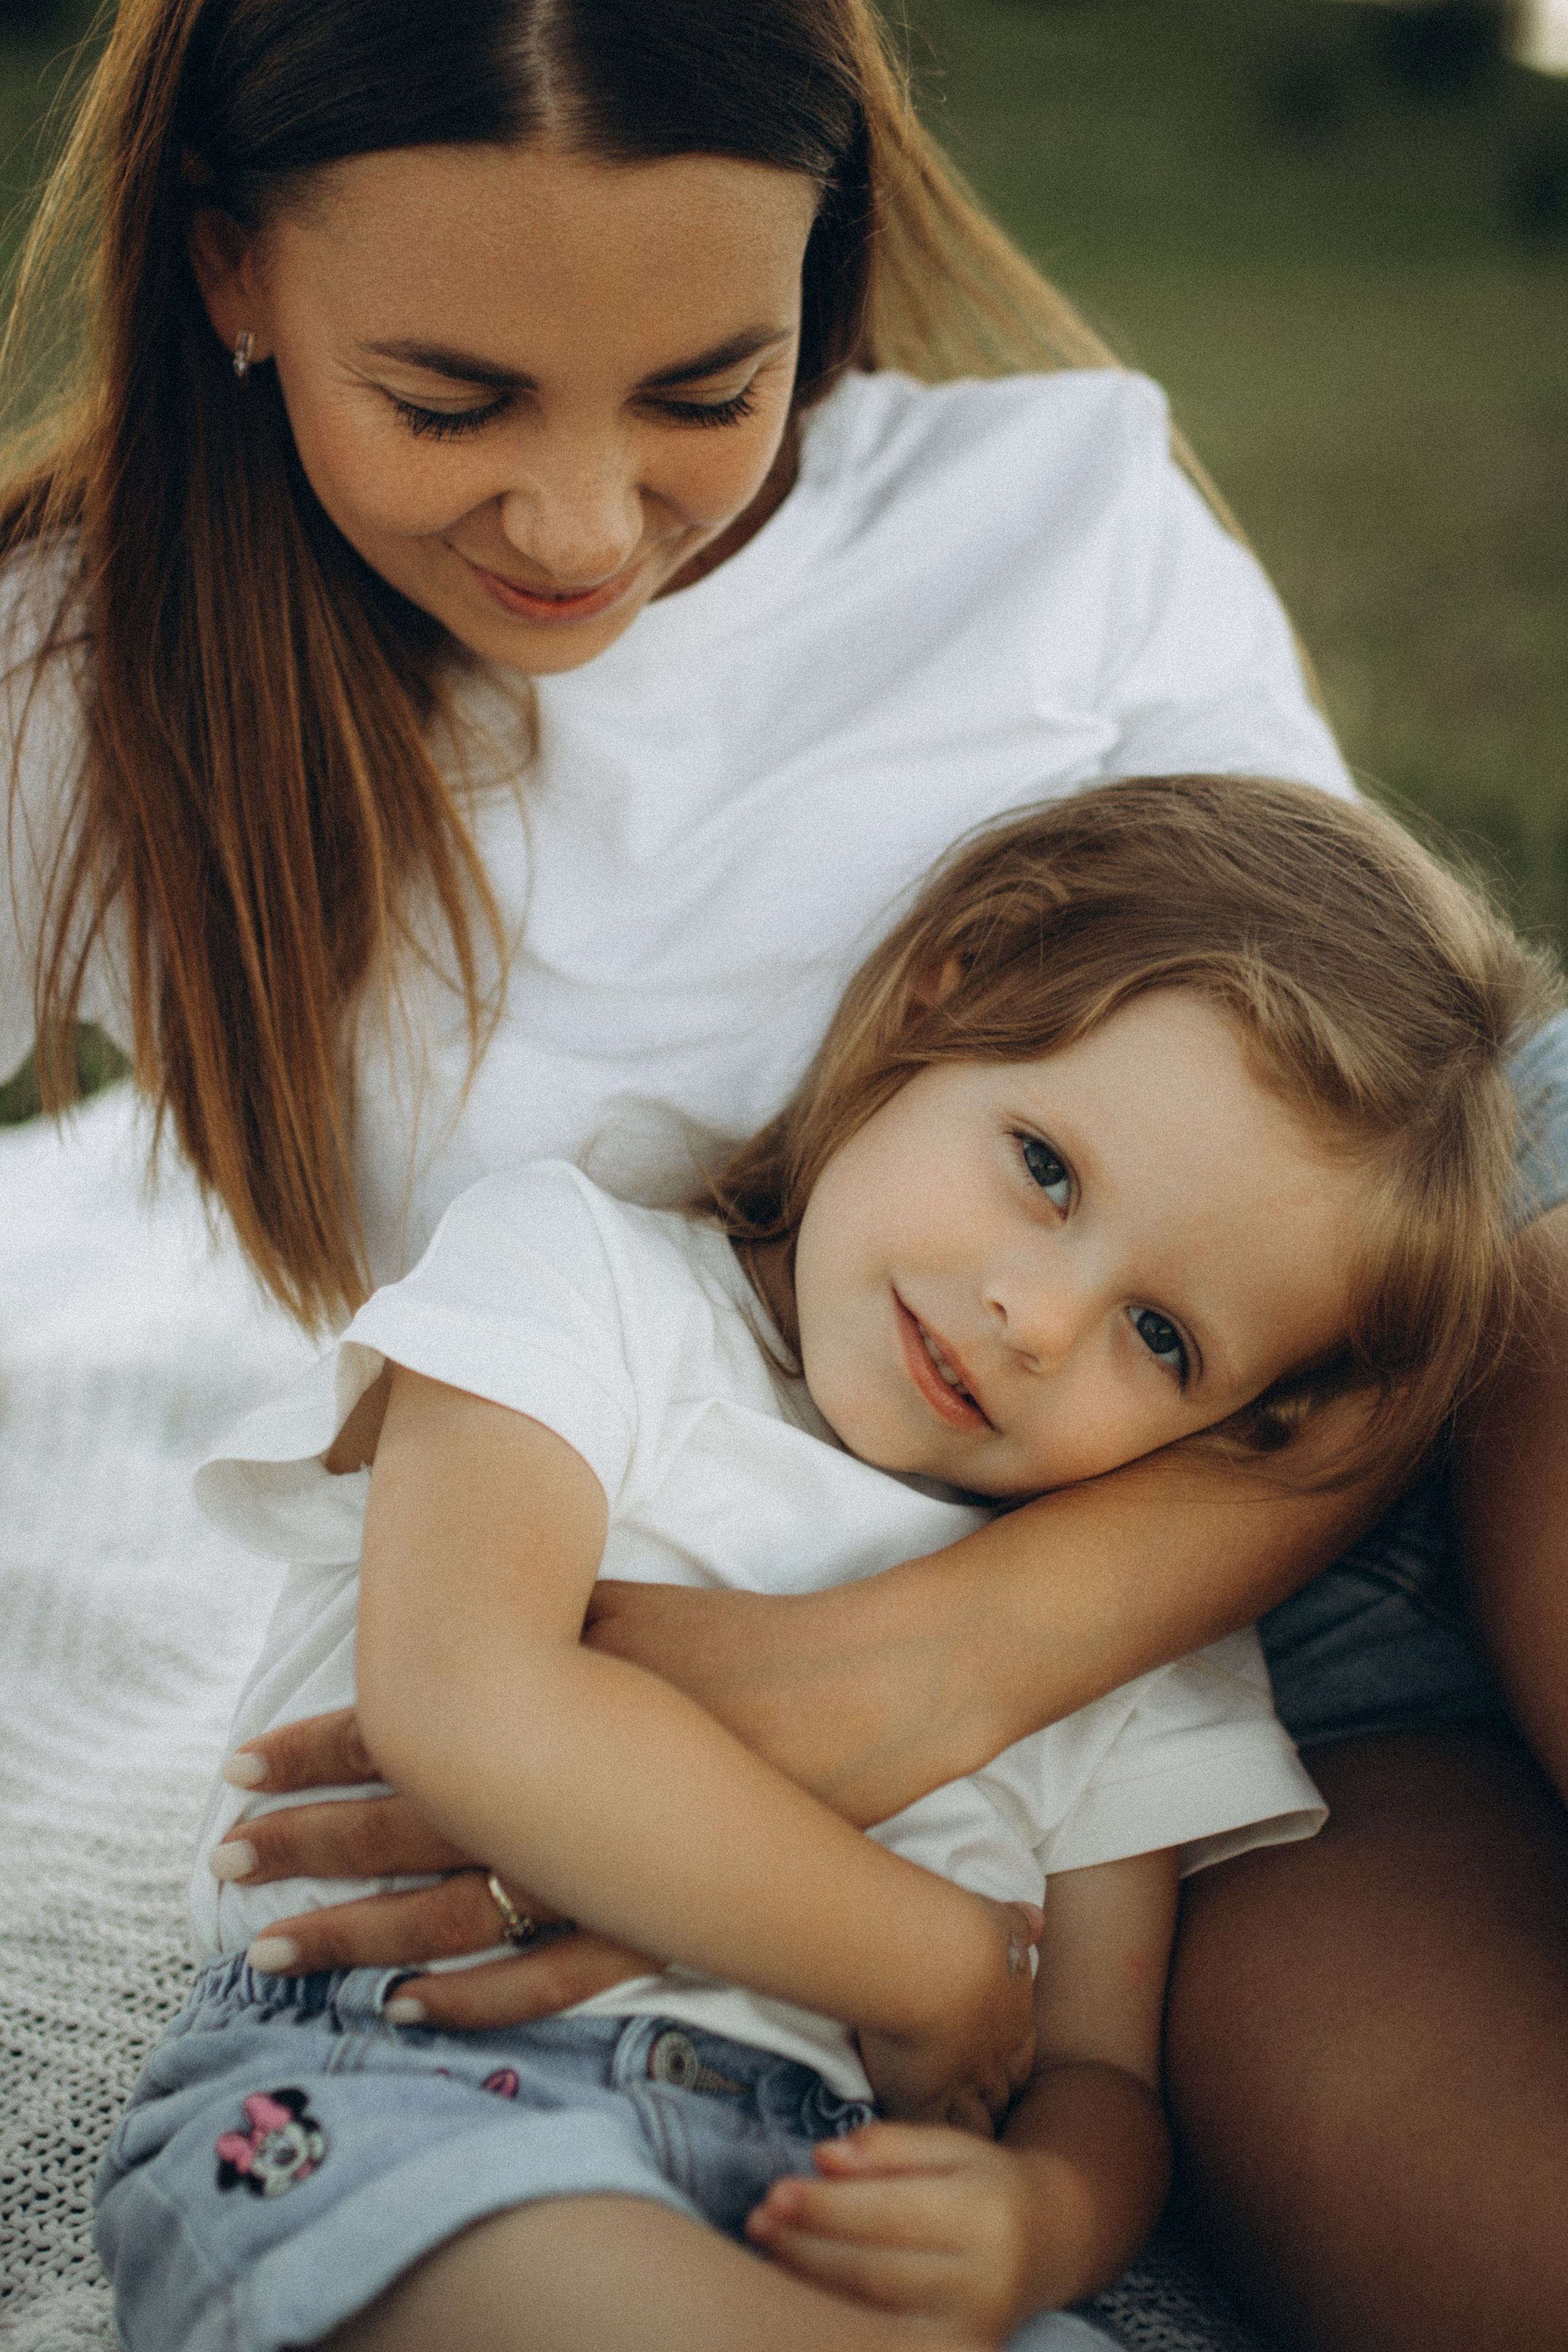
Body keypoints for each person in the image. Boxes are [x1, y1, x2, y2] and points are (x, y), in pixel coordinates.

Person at [5, 2, 1568, 2344]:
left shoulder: (1062, 510)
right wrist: (803, 1830)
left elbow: (1383, 1122)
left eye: (704, 391)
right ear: (230, 271)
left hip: (1370, 1409)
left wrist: (902, 1682)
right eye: (450, 399)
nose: (579, 518)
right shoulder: (82, 675)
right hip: (1173, 1755)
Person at [94, 777, 1549, 2352]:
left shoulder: (1123, 1639)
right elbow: (465, 1700)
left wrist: (1032, 2222)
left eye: (1161, 1337)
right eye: (1046, 1171)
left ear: (1244, 1418)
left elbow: (1094, 2073)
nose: (1037, 1319)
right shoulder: (580, 1284)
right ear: (949, 995)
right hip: (396, 2104)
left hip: (826, 2192)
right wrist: (920, 1959)